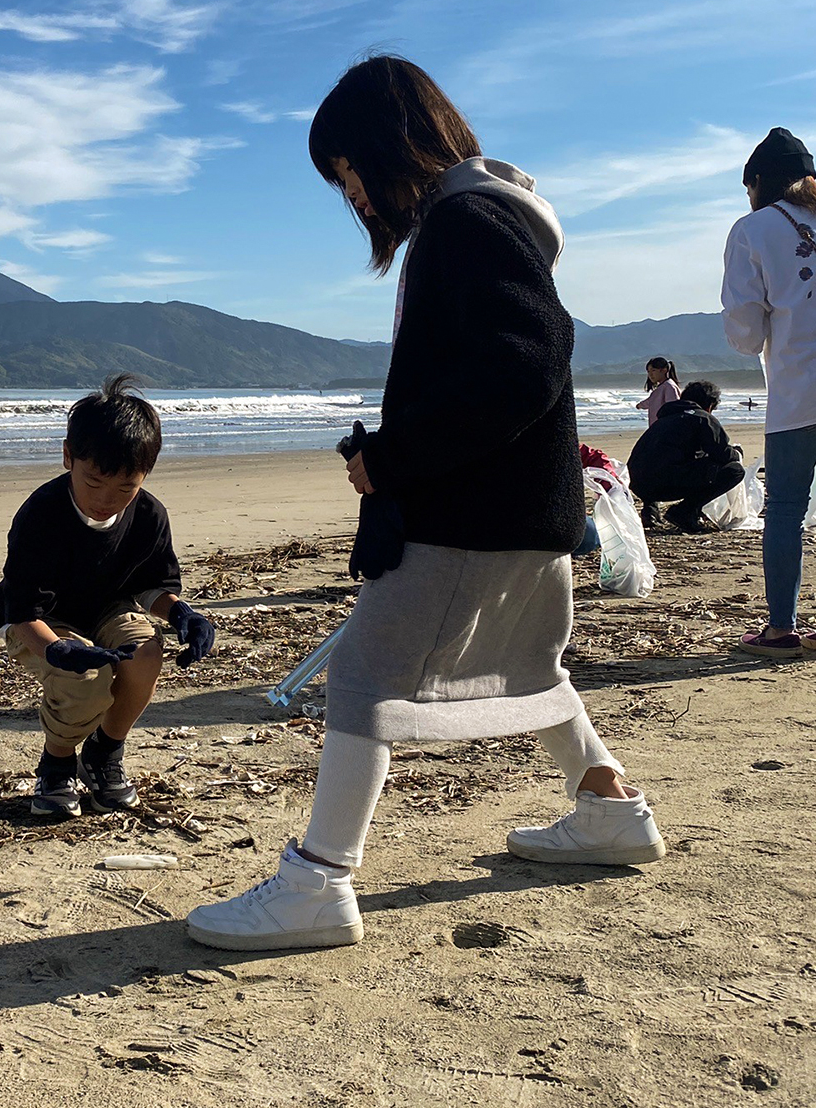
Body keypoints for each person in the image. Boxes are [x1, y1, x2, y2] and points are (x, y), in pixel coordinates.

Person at [186, 56, 664, 953]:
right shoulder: (486, 216)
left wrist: (394, 459)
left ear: (383, 145)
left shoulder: (463, 220)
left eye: (346, 172)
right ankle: (608, 811)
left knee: (363, 678)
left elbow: (526, 360)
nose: (352, 195)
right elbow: (516, 363)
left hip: (473, 513)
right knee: (533, 666)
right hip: (529, 506)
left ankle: (318, 881)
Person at [0, 374, 216, 817]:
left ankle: (104, 754)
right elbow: (21, 607)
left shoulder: (149, 513)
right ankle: (55, 764)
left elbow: (152, 587)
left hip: (111, 608)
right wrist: (56, 651)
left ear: (145, 476)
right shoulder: (41, 514)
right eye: (93, 483)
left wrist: (183, 614)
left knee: (147, 654)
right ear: (68, 456)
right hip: (41, 618)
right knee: (84, 681)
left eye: (125, 488)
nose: (107, 500)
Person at [722, 126, 816, 659]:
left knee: (785, 509)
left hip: (799, 392)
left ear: (757, 182)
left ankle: (781, 629)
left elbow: (745, 333)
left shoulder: (754, 229)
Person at [626, 381, 745, 535]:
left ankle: (652, 510)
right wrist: (737, 452)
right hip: (665, 483)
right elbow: (722, 454)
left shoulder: (664, 419)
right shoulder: (703, 418)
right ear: (709, 405)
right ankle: (684, 510)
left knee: (663, 460)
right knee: (734, 470)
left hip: (637, 484)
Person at [636, 357, 681, 426]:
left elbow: (673, 407)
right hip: (657, 426)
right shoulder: (661, 387)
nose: (650, 375)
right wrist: (640, 405)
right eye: (648, 372)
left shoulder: (669, 386)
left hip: (665, 427)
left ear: (664, 370)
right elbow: (651, 401)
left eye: (653, 370)